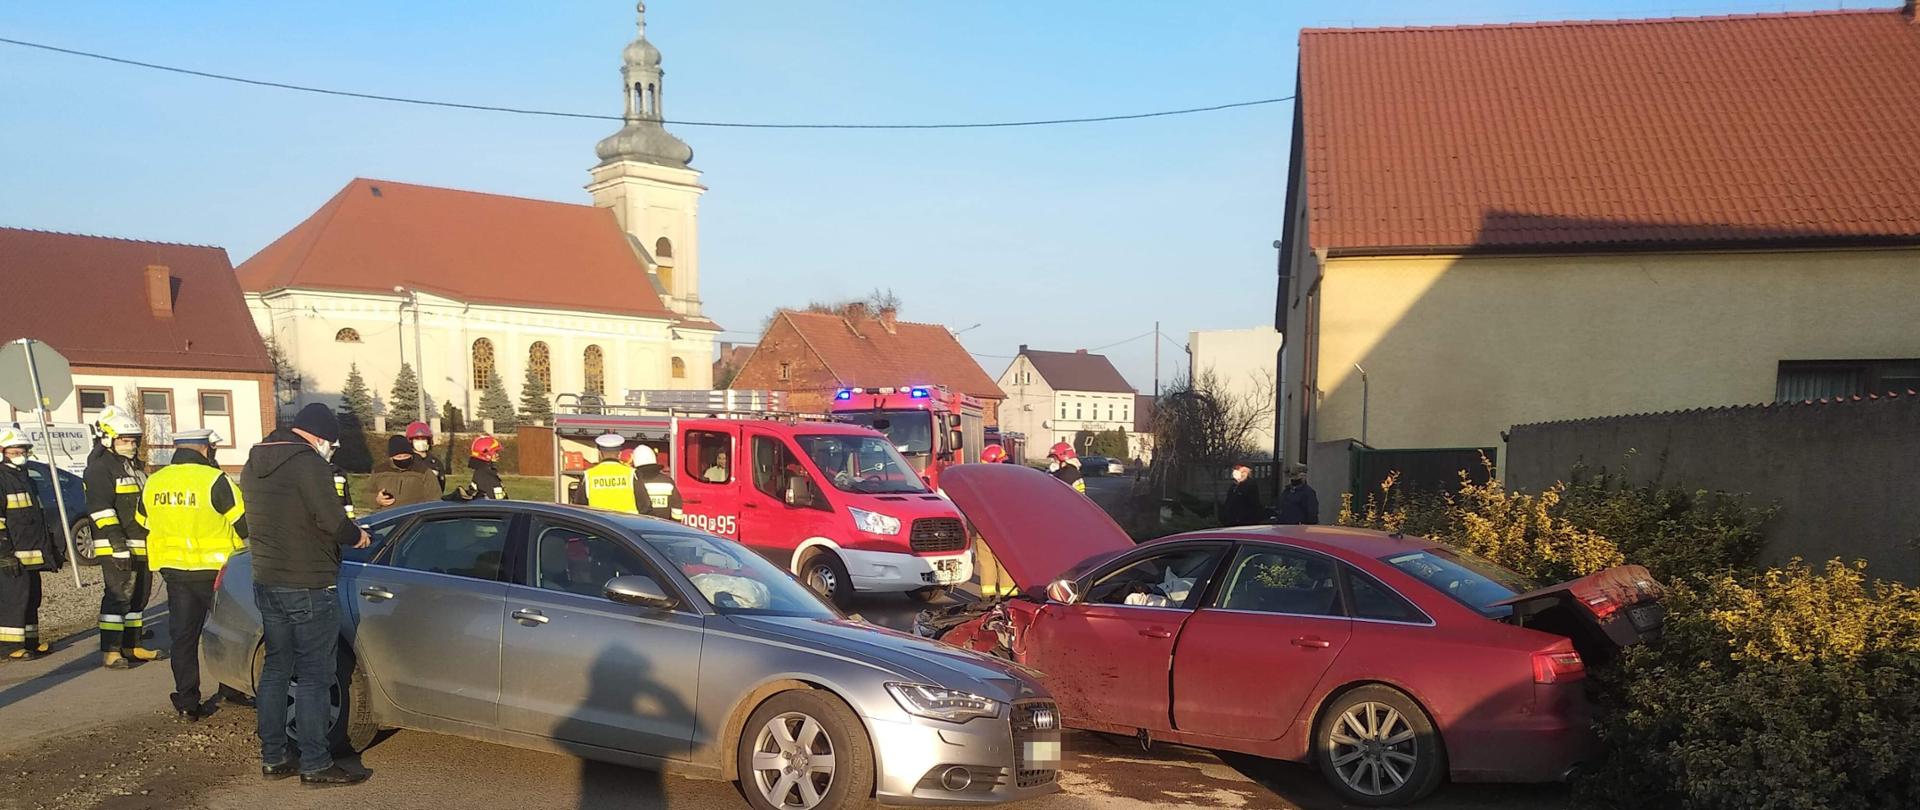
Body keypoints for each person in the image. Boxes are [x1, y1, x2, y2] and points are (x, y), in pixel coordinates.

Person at [242, 403, 371, 786]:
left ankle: (274, 755)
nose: (331, 449)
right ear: (318, 437)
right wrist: (357, 536)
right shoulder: (308, 464)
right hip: (310, 582)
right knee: (316, 673)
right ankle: (315, 762)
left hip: (268, 578)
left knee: (277, 668)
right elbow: (331, 520)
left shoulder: (253, 464)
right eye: (331, 443)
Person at [137, 429, 246, 720]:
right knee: (227, 632)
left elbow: (142, 520)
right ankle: (231, 689)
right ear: (205, 449)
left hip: (175, 572)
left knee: (183, 638)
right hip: (217, 572)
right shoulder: (215, 480)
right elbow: (243, 523)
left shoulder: (155, 481)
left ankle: (187, 702)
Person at [86, 406, 166, 669]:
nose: (130, 445)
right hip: (116, 545)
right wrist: (117, 544)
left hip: (140, 542)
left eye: (133, 440)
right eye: (124, 440)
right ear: (108, 439)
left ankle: (132, 645)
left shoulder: (135, 467)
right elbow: (102, 510)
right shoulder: (99, 468)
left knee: (138, 598)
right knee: (118, 596)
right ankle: (111, 651)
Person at [0, 428, 59, 660]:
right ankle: (9, 647)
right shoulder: (2, 478)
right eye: (15, 450)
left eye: (23, 450)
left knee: (31, 597)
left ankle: (30, 642)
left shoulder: (24, 476)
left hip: (30, 551)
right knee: (13, 599)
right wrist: (4, 552)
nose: (20, 453)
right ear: (3, 451)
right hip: (12, 553)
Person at [573, 433, 643, 514]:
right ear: (619, 453)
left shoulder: (588, 476)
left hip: (599, 524)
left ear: (600, 453)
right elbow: (644, 506)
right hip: (628, 524)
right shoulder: (632, 474)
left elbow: (580, 508)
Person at [370, 436, 442, 508]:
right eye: (399, 457)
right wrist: (376, 499)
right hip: (386, 516)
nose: (403, 459)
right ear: (391, 457)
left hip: (413, 516)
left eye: (406, 456)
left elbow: (434, 497)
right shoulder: (379, 471)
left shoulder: (424, 472)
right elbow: (366, 494)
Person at [631, 444, 683, 522]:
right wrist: (675, 523)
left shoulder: (634, 481)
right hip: (664, 528)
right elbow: (677, 506)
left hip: (640, 527)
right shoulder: (667, 481)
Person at [404, 421, 445, 493]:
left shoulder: (436, 463)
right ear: (410, 441)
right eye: (417, 439)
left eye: (423, 439)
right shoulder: (406, 461)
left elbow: (441, 485)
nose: (421, 442)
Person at [467, 435, 507, 500]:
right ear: (485, 453)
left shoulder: (484, 471)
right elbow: (492, 503)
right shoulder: (485, 475)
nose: (497, 455)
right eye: (495, 452)